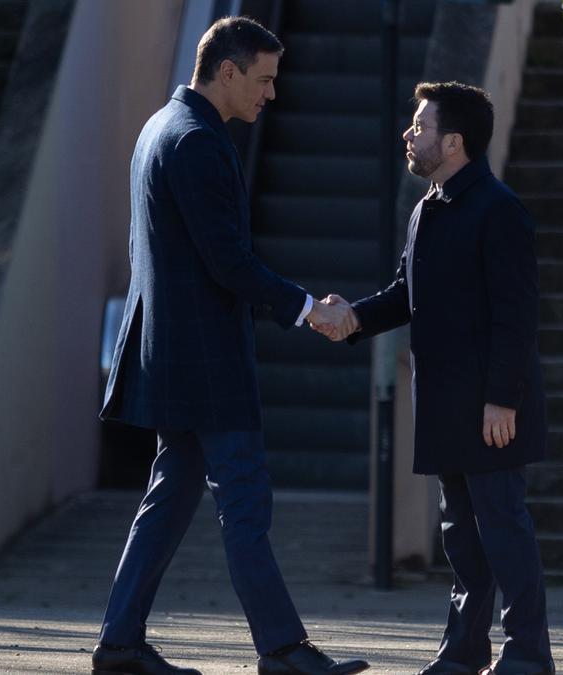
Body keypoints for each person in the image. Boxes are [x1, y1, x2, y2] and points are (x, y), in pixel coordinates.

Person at [93, 17, 365, 675]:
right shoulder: (197, 143)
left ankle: (120, 643)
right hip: (207, 362)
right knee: (245, 502)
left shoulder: (160, 128)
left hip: (175, 356)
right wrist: (307, 307)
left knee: (168, 500)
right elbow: (229, 262)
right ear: (228, 71)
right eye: (264, 79)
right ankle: (282, 648)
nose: (270, 94)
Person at [313, 82, 554, 675]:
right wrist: (352, 320)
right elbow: (404, 295)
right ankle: (465, 651)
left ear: (453, 141)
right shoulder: (427, 208)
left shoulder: (499, 209)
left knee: (504, 531)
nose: (408, 134)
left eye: (419, 126)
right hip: (445, 404)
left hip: (490, 407)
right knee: (463, 539)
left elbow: (517, 315)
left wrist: (503, 399)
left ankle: (528, 654)